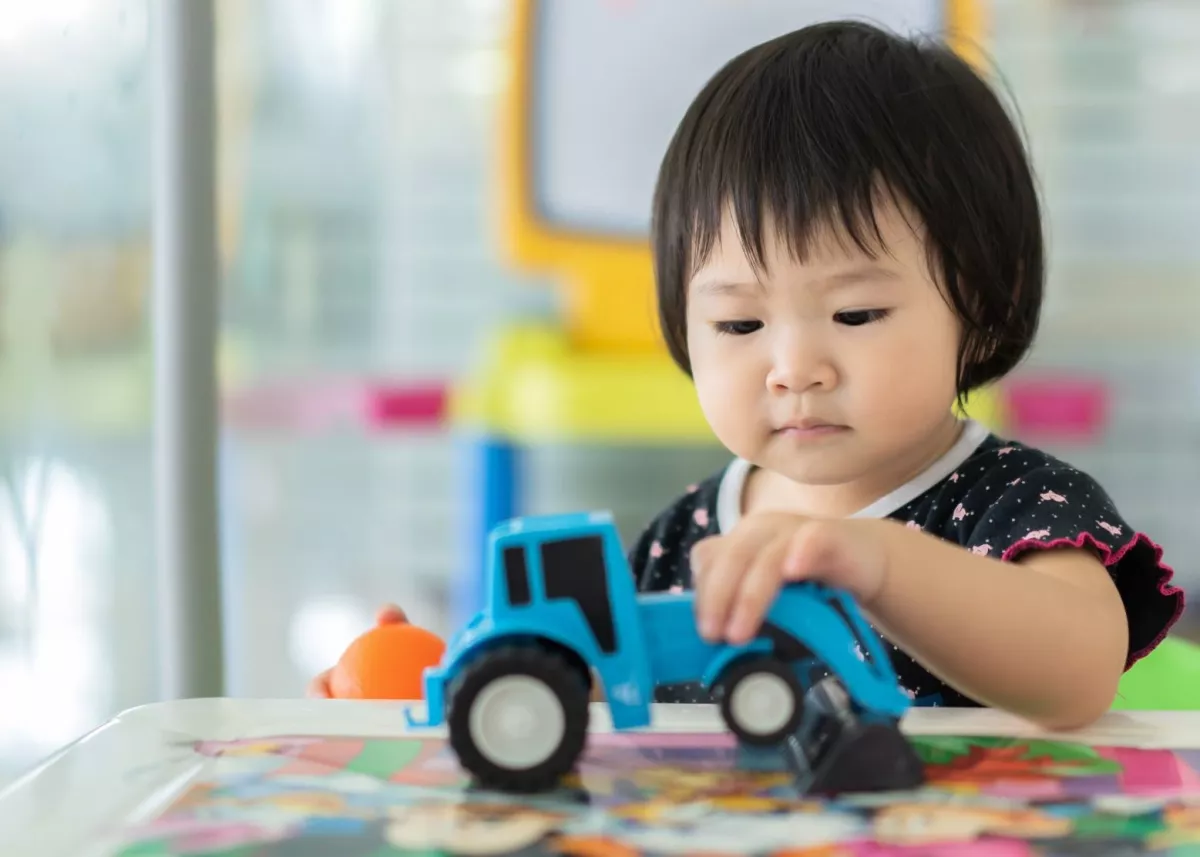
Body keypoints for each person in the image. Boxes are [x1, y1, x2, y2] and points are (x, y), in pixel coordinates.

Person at [310, 20, 1184, 729]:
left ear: (984, 302)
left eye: (855, 315)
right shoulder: (681, 540)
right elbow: (585, 701)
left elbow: (1078, 671)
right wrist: (416, 686)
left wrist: (880, 561)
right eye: (738, 323)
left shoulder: (1016, 506)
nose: (794, 367)